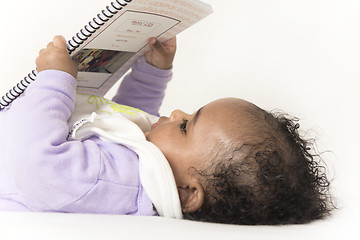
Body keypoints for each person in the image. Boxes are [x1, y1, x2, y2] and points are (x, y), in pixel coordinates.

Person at [0, 36, 333, 225]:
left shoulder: (121, 179)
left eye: (186, 126)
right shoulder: (149, 170)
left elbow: (35, 165)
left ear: (188, 193)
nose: (175, 112)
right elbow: (129, 120)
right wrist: (153, 72)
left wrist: (54, 82)